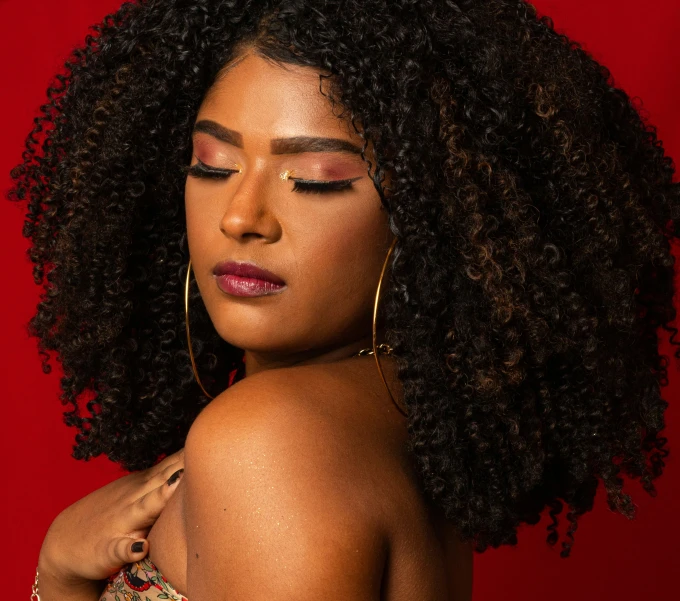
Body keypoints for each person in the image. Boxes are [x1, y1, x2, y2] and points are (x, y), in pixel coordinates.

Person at [8, 0, 678, 599]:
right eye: (213, 165)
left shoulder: (269, 440)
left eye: (317, 180)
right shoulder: (390, 421)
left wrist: (58, 583)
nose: (242, 217)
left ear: (420, 217)